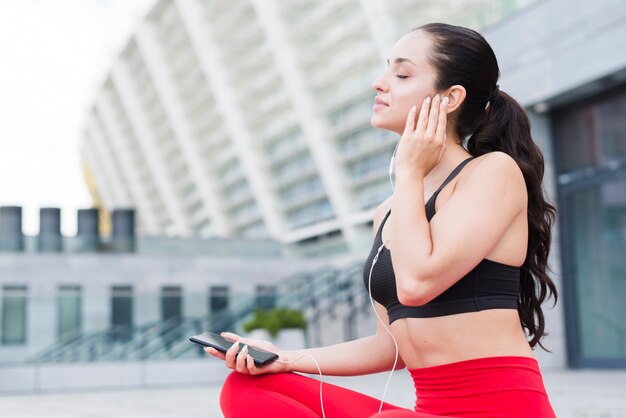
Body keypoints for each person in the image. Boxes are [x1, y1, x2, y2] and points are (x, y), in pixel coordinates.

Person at [204, 22, 558, 417]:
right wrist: (285, 358)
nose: (379, 83)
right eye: (385, 69)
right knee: (249, 389)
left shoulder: (493, 172)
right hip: (429, 409)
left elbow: (417, 283)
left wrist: (410, 171)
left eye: (402, 73)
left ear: (451, 97)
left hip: (501, 408)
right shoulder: (388, 212)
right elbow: (389, 347)